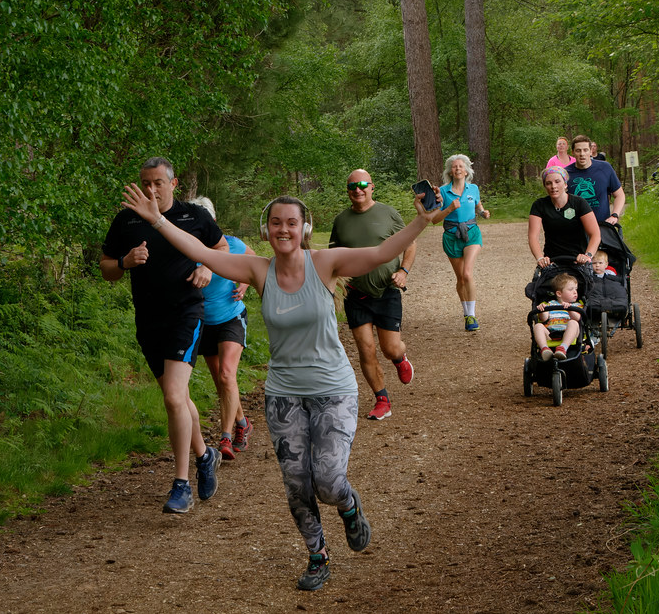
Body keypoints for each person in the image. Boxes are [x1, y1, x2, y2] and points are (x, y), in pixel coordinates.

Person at [120, 182, 439, 592]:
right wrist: (158, 221)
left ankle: (348, 505)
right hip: (284, 395)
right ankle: (317, 555)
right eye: (275, 223)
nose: (283, 229)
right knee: (297, 483)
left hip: (333, 389)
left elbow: (380, 253)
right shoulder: (258, 270)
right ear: (266, 229)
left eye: (291, 222)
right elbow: (200, 251)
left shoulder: (325, 263)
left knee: (328, 481)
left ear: (304, 228)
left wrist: (420, 221)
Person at [100, 158, 228, 514]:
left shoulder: (193, 216)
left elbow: (221, 248)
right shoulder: (126, 220)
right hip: (148, 320)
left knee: (173, 397)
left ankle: (181, 484)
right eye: (145, 182)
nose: (151, 189)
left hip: (186, 314)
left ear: (173, 184)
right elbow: (106, 268)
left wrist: (206, 267)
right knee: (178, 398)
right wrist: (124, 262)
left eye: (158, 182)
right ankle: (205, 455)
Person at [329, 169, 415, 422]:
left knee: (390, 348)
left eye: (363, 185)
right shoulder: (341, 221)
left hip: (386, 291)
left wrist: (403, 271)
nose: (358, 189)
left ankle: (399, 357)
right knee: (366, 350)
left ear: (372, 187)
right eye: (352, 186)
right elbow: (332, 256)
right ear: (348, 191)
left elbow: (410, 243)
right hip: (355, 294)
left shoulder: (388, 214)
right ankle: (382, 400)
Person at [189, 196, 256, 461]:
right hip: (203, 321)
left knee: (227, 375)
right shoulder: (186, 248)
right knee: (221, 381)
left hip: (231, 317)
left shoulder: (232, 244)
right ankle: (242, 423)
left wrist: (245, 283)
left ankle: (225, 437)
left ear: (213, 221)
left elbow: (254, 261)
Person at [438, 154, 490, 332]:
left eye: (461, 166)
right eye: (454, 167)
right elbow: (434, 219)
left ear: (467, 171)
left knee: (467, 274)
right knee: (460, 278)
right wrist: (449, 208)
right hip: (451, 236)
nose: (458, 169)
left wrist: (482, 212)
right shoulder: (443, 192)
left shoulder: (473, 188)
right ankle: (466, 314)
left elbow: (478, 204)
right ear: (450, 171)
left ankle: (472, 314)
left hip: (472, 233)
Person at [528, 166, 601, 268]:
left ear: (565, 184)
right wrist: (540, 258)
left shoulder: (579, 203)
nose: (553, 186)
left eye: (557, 181)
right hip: (552, 260)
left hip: (578, 260)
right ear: (545, 186)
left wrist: (588, 255)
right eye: (548, 183)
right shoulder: (539, 205)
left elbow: (595, 234)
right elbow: (533, 237)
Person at [566, 135, 625, 225]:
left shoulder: (605, 168)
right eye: (578, 150)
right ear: (572, 152)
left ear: (591, 151)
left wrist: (614, 215)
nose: (582, 154)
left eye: (585, 150)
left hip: (602, 225)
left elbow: (619, 195)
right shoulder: (565, 174)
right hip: (575, 227)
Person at [533, 273, 583, 361]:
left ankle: (563, 348)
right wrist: (542, 310)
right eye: (571, 289)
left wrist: (570, 309)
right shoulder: (550, 304)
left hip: (569, 335)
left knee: (573, 323)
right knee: (538, 326)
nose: (575, 292)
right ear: (559, 293)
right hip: (551, 334)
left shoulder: (577, 305)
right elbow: (543, 319)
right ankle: (544, 349)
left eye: (576, 289)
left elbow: (578, 318)